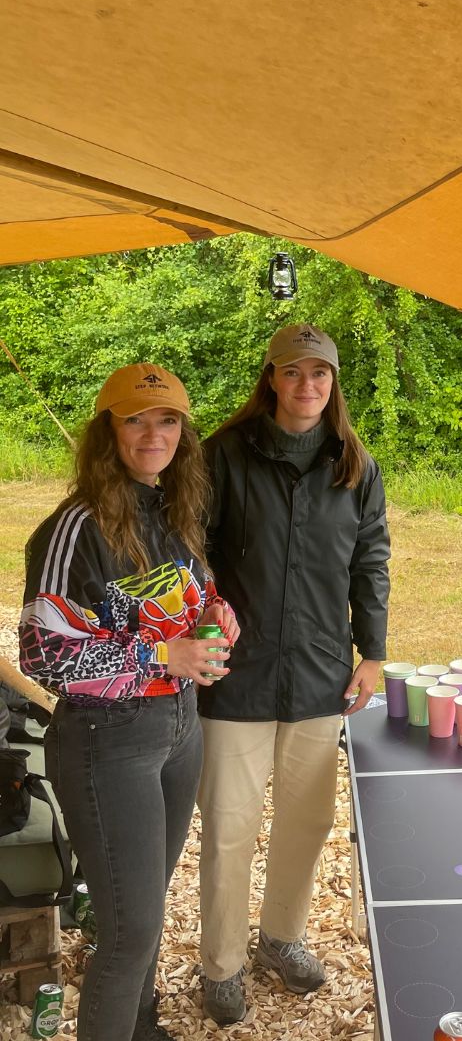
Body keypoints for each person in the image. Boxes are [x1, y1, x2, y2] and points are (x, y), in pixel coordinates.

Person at [19, 363, 239, 1041]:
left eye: (168, 419)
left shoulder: (173, 509)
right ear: (106, 430)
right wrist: (157, 656)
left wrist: (217, 615)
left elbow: (186, 598)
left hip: (179, 729)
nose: (154, 433)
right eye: (135, 419)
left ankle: (143, 1028)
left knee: (142, 909)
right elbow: (40, 654)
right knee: (128, 929)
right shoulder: (73, 528)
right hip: (108, 742)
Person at [197, 323, 390, 1024]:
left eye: (321, 374)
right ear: (270, 379)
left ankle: (280, 937)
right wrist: (203, 616)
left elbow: (370, 560)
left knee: (308, 821)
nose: (307, 386)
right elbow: (193, 551)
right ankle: (218, 965)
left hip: (318, 673)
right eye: (293, 372)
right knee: (227, 827)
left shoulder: (355, 465)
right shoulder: (222, 455)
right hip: (234, 677)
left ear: (334, 384)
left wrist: (371, 651)